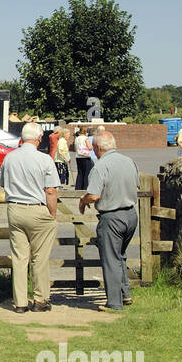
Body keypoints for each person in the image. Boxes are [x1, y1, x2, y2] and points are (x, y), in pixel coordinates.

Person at [0, 122, 59, 314]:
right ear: (39, 138)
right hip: (38, 209)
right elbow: (50, 190)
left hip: (15, 209)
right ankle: (40, 300)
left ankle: (20, 302)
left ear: (22, 138)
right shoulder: (45, 159)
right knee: (39, 258)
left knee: (19, 257)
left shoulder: (9, 158)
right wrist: (52, 214)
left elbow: (2, 183)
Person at [78, 130, 139, 313]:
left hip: (112, 217)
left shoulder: (100, 166)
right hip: (130, 214)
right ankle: (124, 293)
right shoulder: (129, 161)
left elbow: (94, 195)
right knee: (120, 256)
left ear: (96, 147)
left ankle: (114, 302)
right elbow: (135, 185)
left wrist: (83, 200)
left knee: (111, 259)